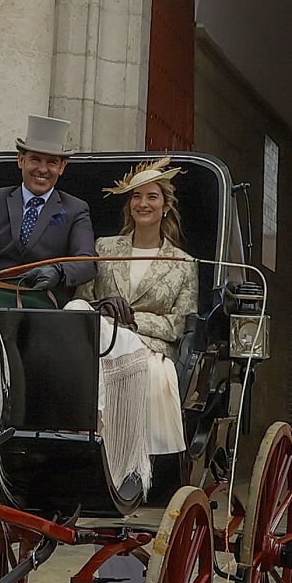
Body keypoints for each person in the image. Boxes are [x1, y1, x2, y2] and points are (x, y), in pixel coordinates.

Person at [83, 157, 194, 456]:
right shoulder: (103, 248)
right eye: (136, 196)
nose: (143, 204)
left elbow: (177, 325)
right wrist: (105, 312)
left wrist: (129, 319)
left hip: (149, 348)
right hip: (100, 341)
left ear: (166, 205)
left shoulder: (183, 264)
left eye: (152, 196)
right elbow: (84, 299)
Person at [0, 114, 96, 297]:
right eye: (35, 159)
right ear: (21, 160)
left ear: (62, 167)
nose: (43, 169)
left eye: (52, 162)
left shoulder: (76, 209)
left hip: (45, 303)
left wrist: (58, 272)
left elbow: (87, 262)